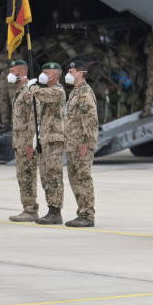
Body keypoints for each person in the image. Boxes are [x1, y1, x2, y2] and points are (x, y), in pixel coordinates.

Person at [29, 63, 67, 225]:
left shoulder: (57, 91)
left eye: (46, 72)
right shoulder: (45, 90)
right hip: (45, 138)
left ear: (54, 75)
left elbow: (41, 94)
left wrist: (31, 87)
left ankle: (55, 211)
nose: (42, 74)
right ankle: (50, 208)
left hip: (54, 139)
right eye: (42, 71)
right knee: (45, 176)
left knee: (54, 176)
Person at [64, 61, 99, 227]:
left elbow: (90, 120)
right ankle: (82, 211)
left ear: (81, 73)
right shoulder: (75, 92)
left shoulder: (84, 93)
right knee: (74, 178)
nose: (69, 74)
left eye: (72, 71)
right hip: (73, 144)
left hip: (81, 144)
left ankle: (87, 215)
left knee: (83, 178)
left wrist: (86, 142)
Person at [7, 60, 39, 222]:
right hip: (18, 142)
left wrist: (29, 144)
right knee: (22, 176)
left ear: (20, 73)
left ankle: (30, 209)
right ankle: (27, 207)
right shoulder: (19, 91)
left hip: (25, 143)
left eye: (12, 71)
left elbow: (33, 119)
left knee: (27, 175)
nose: (10, 74)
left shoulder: (28, 92)